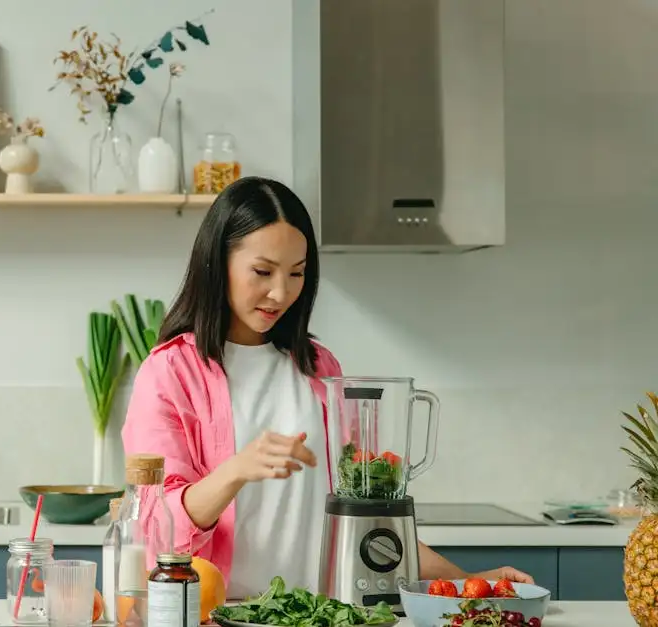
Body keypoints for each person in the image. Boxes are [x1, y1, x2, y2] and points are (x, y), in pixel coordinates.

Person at [120, 176, 534, 597]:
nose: (280, 293)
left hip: (317, 613)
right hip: (218, 615)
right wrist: (237, 470)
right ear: (217, 262)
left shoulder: (319, 367)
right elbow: (156, 530)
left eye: (296, 273)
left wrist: (471, 581)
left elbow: (364, 517)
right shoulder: (169, 373)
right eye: (262, 271)